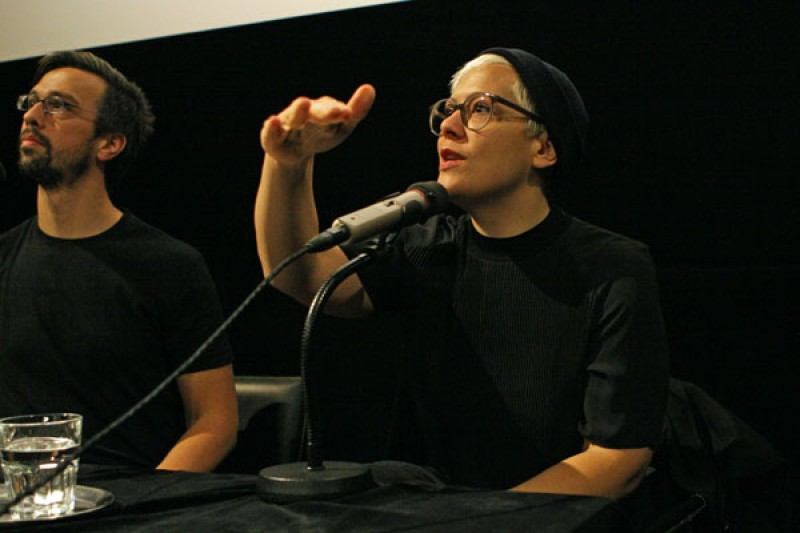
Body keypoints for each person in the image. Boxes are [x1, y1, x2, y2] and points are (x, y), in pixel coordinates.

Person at [254, 47, 669, 500]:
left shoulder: (612, 267)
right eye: (448, 110)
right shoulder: (427, 246)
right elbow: (301, 276)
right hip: (431, 509)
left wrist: (484, 520)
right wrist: (289, 165)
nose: (449, 126)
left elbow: (617, 459)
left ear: (544, 147)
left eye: (480, 109)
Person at [0, 51, 237, 472]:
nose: (33, 115)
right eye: (31, 101)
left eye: (57, 105)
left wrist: (146, 504)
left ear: (109, 143)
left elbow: (213, 421)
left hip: (125, 504)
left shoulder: (169, 265)